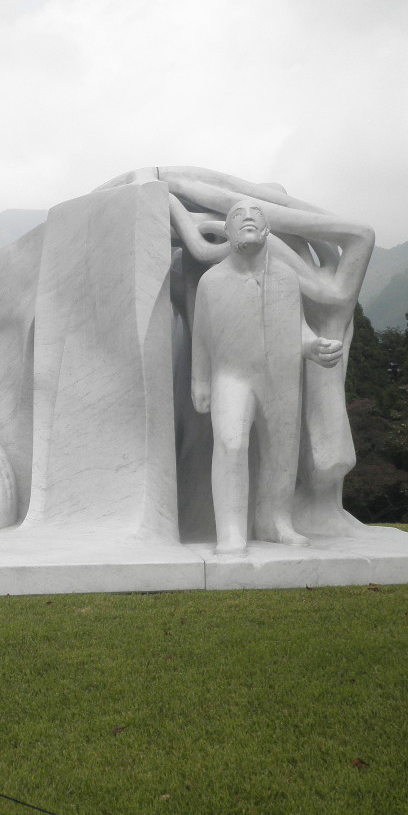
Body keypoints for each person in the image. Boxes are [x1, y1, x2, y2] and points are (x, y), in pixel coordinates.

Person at [175, 197, 343, 556]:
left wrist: (313, 345)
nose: (248, 218)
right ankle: (231, 531)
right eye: (238, 215)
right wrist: (200, 380)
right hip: (231, 376)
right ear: (227, 231)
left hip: (282, 374)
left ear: (267, 229)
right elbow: (201, 336)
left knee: (281, 452)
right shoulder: (211, 282)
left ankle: (275, 523)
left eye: (256, 215)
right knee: (231, 445)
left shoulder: (286, 278)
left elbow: (297, 327)